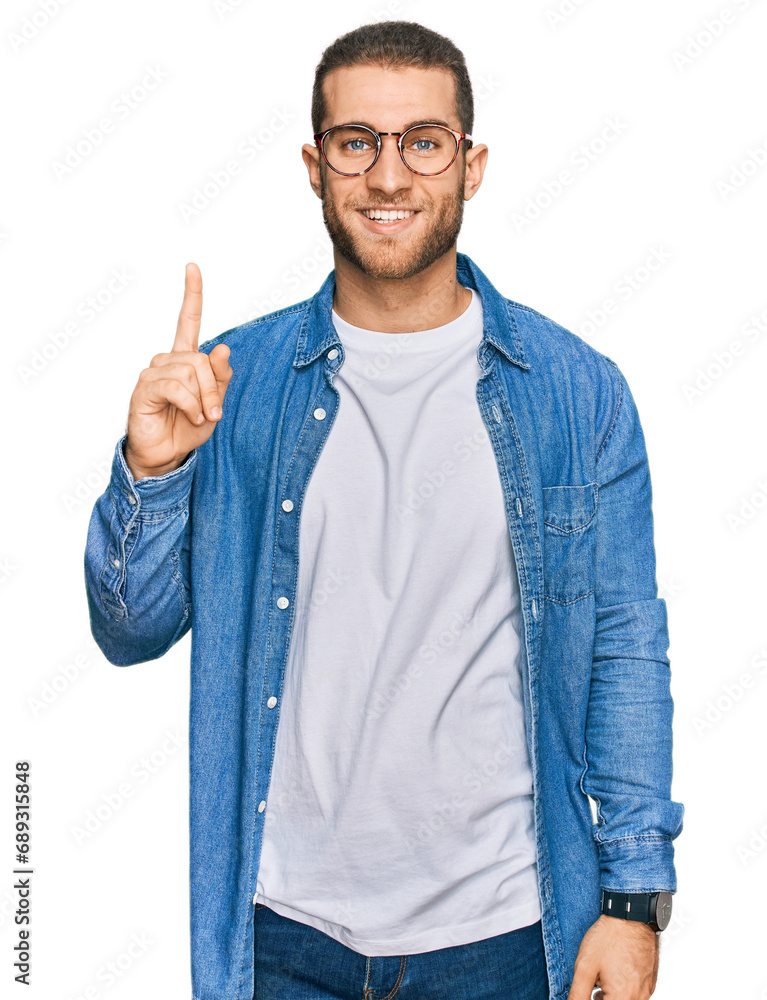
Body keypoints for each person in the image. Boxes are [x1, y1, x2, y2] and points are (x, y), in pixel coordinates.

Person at [83, 19, 684, 1000]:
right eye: (357, 141)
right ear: (315, 168)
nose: (390, 175)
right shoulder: (232, 384)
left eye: (424, 141)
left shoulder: (577, 393)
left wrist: (633, 898)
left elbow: (623, 647)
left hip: (505, 938)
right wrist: (152, 470)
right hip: (283, 939)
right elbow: (129, 629)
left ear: (471, 165)